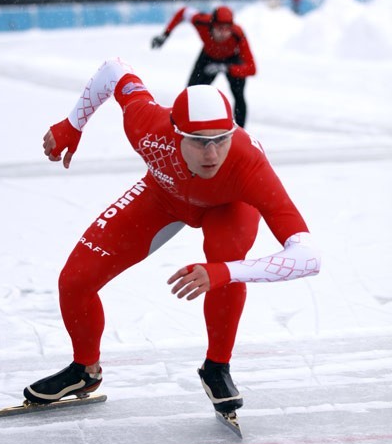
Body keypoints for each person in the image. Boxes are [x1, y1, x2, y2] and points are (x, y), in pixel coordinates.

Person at [24, 57, 320, 416]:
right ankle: (84, 371)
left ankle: (217, 366)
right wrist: (72, 126)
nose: (212, 154)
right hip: (163, 194)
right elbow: (113, 70)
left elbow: (308, 256)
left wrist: (224, 272)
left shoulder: (249, 166)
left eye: (221, 140)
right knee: (74, 281)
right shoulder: (145, 123)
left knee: (224, 256)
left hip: (228, 207)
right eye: (198, 142)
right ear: (175, 132)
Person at [151, 5, 256, 128]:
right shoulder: (202, 21)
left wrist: (227, 68)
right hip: (208, 57)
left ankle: (241, 133)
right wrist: (166, 34)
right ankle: (186, 126)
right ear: (212, 25)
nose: (223, 33)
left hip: (231, 61)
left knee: (239, 96)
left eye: (227, 29)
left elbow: (252, 68)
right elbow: (183, 12)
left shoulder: (238, 34)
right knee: (191, 93)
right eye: (220, 28)